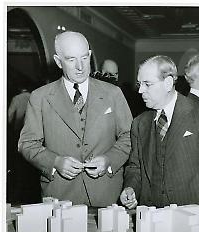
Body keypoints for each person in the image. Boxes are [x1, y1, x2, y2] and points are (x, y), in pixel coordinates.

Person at [18, 31, 133, 207]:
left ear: (90, 56)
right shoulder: (40, 97)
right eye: (71, 60)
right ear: (58, 61)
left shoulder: (113, 93)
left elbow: (129, 136)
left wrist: (109, 159)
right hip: (60, 198)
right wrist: (55, 162)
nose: (80, 66)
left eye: (84, 58)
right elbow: (27, 144)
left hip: (108, 196)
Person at [120, 55, 199, 214]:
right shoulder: (139, 123)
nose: (140, 90)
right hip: (152, 218)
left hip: (194, 218)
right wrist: (130, 188)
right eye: (139, 84)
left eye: (147, 84)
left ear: (168, 83)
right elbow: (135, 167)